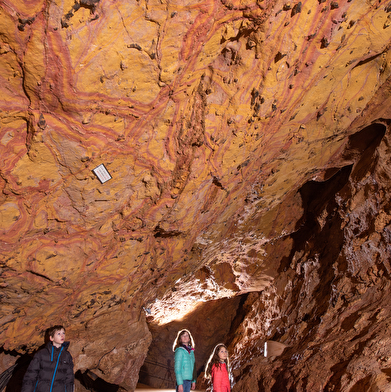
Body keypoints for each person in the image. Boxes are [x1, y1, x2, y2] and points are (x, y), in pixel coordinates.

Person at [21, 325, 74, 392]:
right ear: (51, 338)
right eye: (58, 334)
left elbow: (69, 380)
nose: (62, 335)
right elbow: (30, 376)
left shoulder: (67, 356)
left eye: (63, 333)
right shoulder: (41, 354)